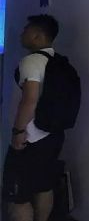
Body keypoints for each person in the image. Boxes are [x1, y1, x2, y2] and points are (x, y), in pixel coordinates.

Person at [3, 15, 65, 221]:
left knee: (18, 198)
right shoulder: (58, 61)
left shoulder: (31, 61)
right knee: (44, 187)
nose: (22, 34)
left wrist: (18, 132)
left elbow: (29, 100)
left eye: (26, 30)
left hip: (29, 139)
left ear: (37, 35)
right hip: (52, 136)